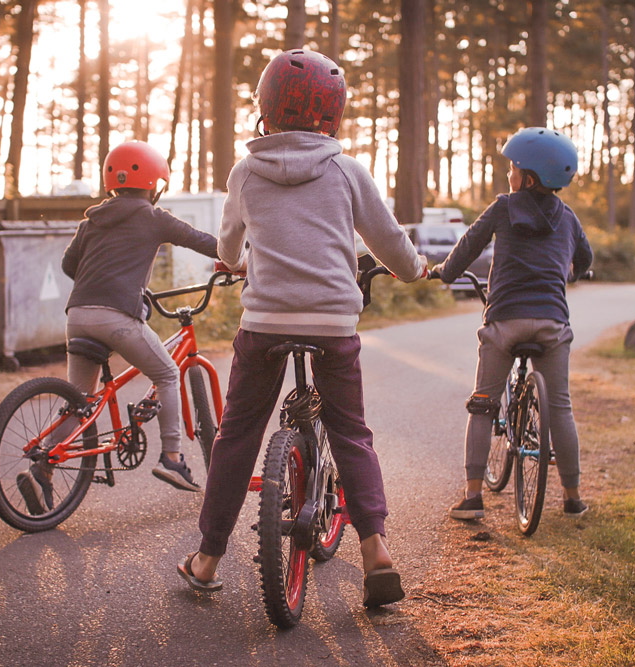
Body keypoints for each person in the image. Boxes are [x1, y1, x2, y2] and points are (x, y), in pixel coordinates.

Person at [176, 49, 427, 608]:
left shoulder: (245, 171)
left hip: (264, 323)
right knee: (351, 433)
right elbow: (389, 242)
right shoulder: (346, 169)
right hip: (334, 321)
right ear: (332, 114)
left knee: (236, 435)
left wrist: (239, 260)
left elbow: (226, 247)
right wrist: (413, 270)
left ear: (266, 107)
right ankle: (375, 552)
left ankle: (207, 557)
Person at [17, 140, 219, 514]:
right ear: (155, 182)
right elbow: (199, 241)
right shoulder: (152, 217)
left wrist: (105, 279)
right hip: (116, 317)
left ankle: (43, 467)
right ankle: (172, 458)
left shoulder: (91, 220)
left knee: (80, 401)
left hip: (78, 315)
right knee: (168, 373)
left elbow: (68, 266)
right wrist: (238, 258)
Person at [430, 127, 593, 521]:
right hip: (552, 325)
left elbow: (469, 245)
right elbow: (585, 259)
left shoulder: (503, 207)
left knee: (482, 405)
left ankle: (472, 497)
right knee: (561, 408)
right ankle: (572, 498)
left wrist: (444, 273)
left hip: (504, 324)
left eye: (514, 168)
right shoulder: (568, 218)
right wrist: (571, 273)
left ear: (529, 178)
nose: (509, 174)